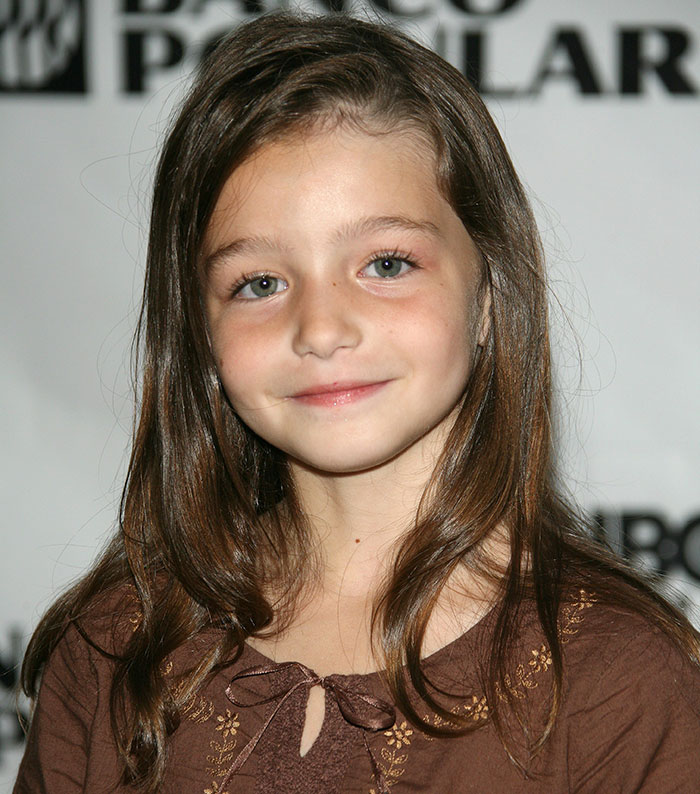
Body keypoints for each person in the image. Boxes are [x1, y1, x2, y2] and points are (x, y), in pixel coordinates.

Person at [14, 12, 700, 794]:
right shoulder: (115, 650)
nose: (321, 328)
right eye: (260, 283)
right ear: (199, 331)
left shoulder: (621, 682)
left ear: (486, 296)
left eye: (384, 262)